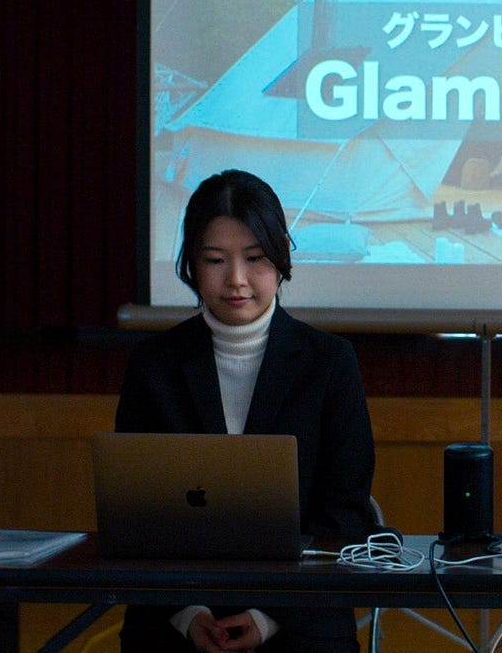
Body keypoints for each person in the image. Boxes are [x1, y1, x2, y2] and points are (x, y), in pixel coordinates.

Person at [115, 169, 375, 653]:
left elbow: (344, 517)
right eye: (215, 260)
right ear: (191, 265)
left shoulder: (330, 363)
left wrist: (266, 617)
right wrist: (188, 614)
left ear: (281, 260)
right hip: (176, 615)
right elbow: (135, 516)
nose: (236, 279)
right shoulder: (154, 366)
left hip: (300, 615)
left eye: (254, 259)